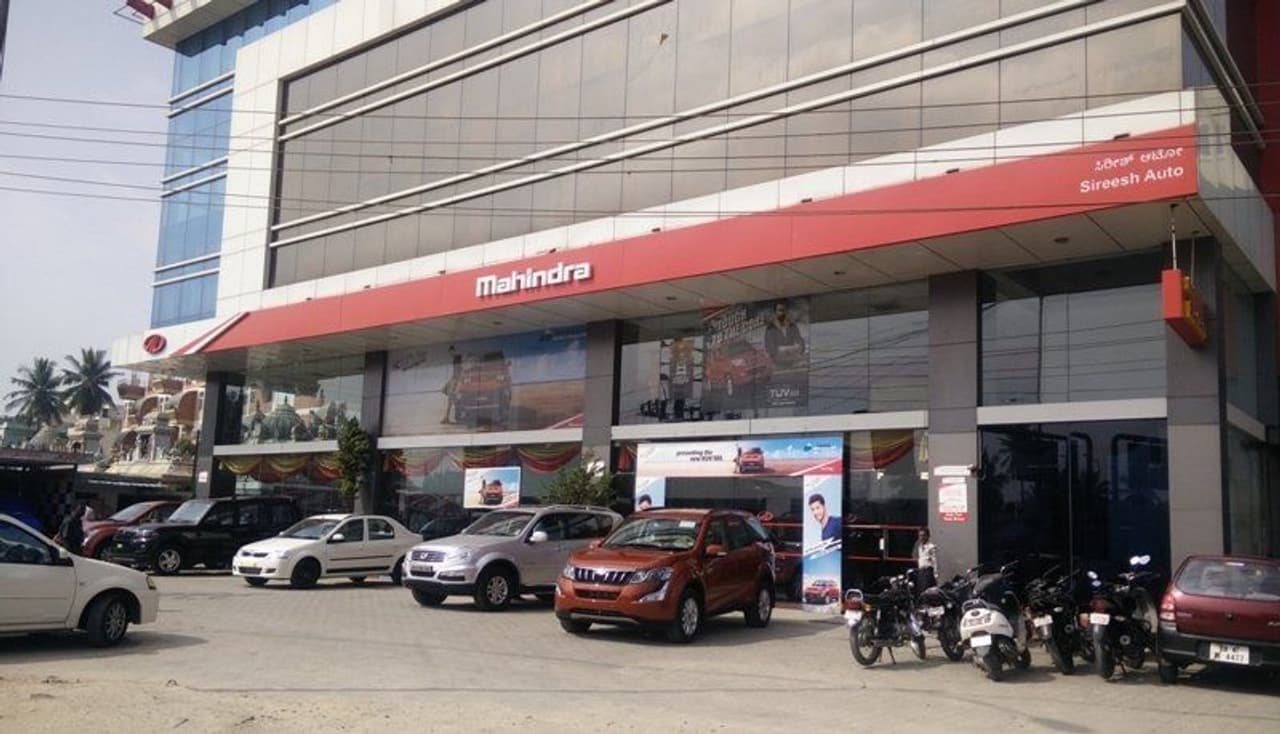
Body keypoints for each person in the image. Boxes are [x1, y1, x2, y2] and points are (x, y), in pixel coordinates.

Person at [763, 300, 806, 369]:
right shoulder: (770, 328)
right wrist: (781, 349)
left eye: (784, 310)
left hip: (793, 360)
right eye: (780, 310)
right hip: (778, 363)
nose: (783, 313)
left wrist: (799, 346)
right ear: (775, 312)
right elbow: (769, 347)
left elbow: (799, 340)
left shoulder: (792, 326)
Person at [441, 346, 462, 424]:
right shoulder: (456, 359)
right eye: (449, 353)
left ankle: (450, 417)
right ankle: (447, 417)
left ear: (453, 351)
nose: (450, 354)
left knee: (452, 398)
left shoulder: (458, 358)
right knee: (451, 399)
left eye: (451, 352)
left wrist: (457, 381)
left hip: (457, 380)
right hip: (455, 380)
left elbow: (459, 370)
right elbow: (456, 371)